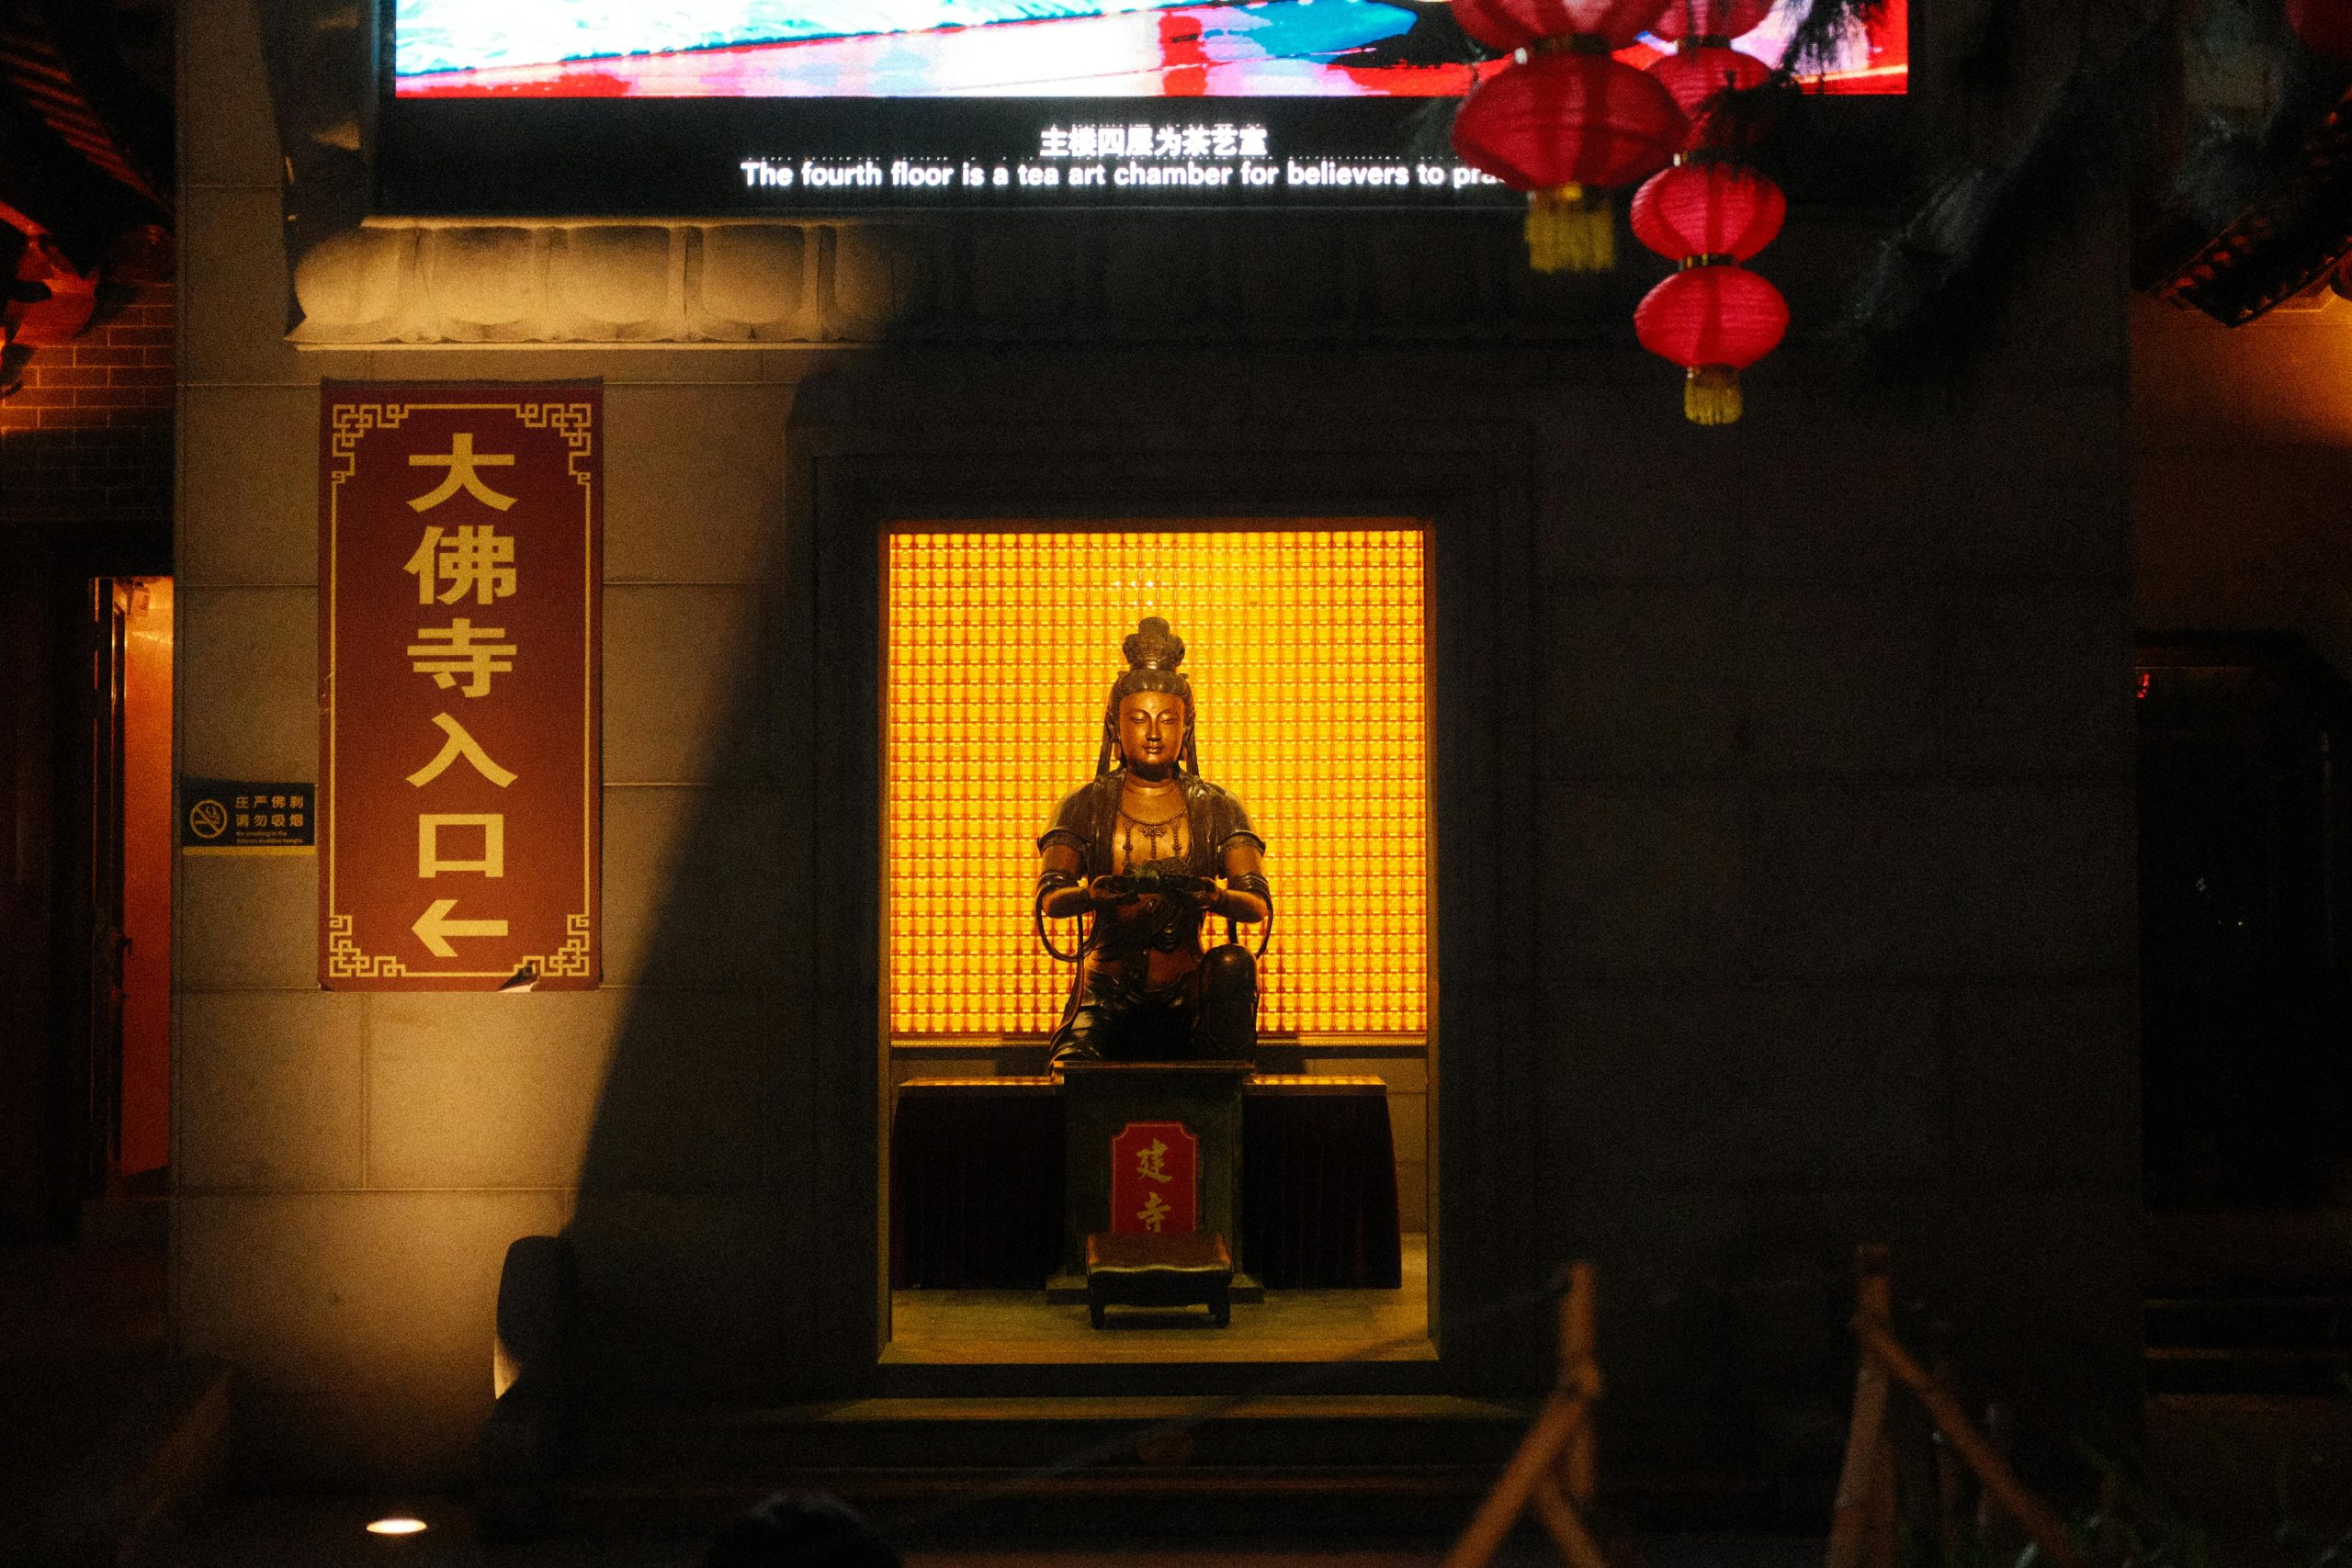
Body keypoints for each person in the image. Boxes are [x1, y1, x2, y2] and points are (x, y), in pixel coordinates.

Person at [1035, 616, 1272, 1067]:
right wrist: (1090, 894)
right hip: (1105, 991)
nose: (1154, 733)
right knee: (1074, 1076)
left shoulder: (1216, 805)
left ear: (1187, 728)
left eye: (1168, 720)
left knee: (1233, 964)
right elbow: (1050, 898)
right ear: (1115, 727)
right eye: (1138, 719)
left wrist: (1214, 896)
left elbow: (1257, 904)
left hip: (1188, 986)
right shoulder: (1084, 804)